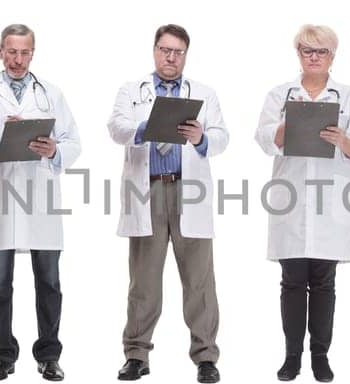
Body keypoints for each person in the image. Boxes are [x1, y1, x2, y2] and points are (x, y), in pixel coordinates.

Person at [106, 23, 229, 384]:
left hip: (188, 191)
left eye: (177, 51)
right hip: (148, 191)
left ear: (186, 55)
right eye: (164, 50)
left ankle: (206, 357)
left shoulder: (203, 93)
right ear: (155, 50)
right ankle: (136, 354)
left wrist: (201, 137)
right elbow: (116, 127)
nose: (170, 57)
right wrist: (144, 128)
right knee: (143, 281)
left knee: (199, 280)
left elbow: (222, 137)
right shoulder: (132, 91)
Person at [0, 23, 81, 383]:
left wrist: (55, 148)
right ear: (0, 51)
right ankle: (3, 355)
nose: (18, 59)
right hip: (1, 199)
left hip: (41, 199)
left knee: (49, 282)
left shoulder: (51, 94)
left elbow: (73, 142)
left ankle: (48, 355)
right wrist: (1, 139)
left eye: (25, 52)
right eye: (11, 51)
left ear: (33, 53)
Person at [256, 24, 350, 384]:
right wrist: (284, 127)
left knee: (324, 283)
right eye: (307, 50)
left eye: (320, 51)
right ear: (298, 54)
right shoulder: (281, 94)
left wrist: (344, 139)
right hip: (290, 200)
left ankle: (320, 357)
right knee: (291, 282)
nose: (313, 56)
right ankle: (292, 357)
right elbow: (262, 138)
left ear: (332, 57)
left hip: (330, 202)